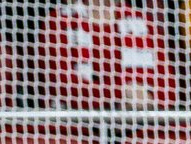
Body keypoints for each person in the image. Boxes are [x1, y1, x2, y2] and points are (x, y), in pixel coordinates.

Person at [38, 1, 179, 110]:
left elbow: (169, 89)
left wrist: (147, 96)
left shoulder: (145, 23)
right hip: (77, 123)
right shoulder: (57, 21)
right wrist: (121, 94)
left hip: (140, 120)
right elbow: (62, 85)